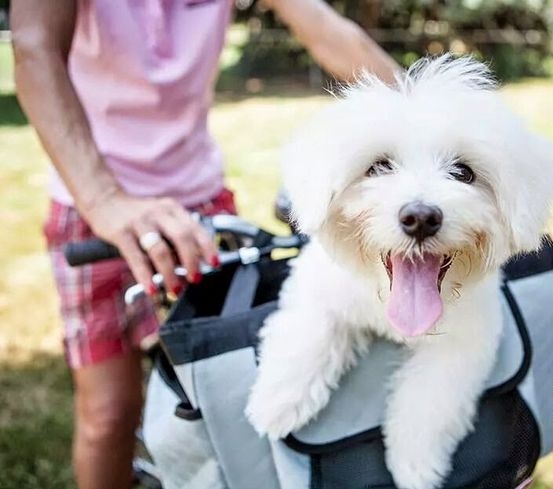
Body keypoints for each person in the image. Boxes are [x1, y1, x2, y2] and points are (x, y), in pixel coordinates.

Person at [10, 1, 399, 488]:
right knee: (109, 414)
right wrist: (106, 201)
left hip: (200, 205)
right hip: (92, 203)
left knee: (229, 391)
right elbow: (34, 47)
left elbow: (328, 32)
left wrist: (434, 115)